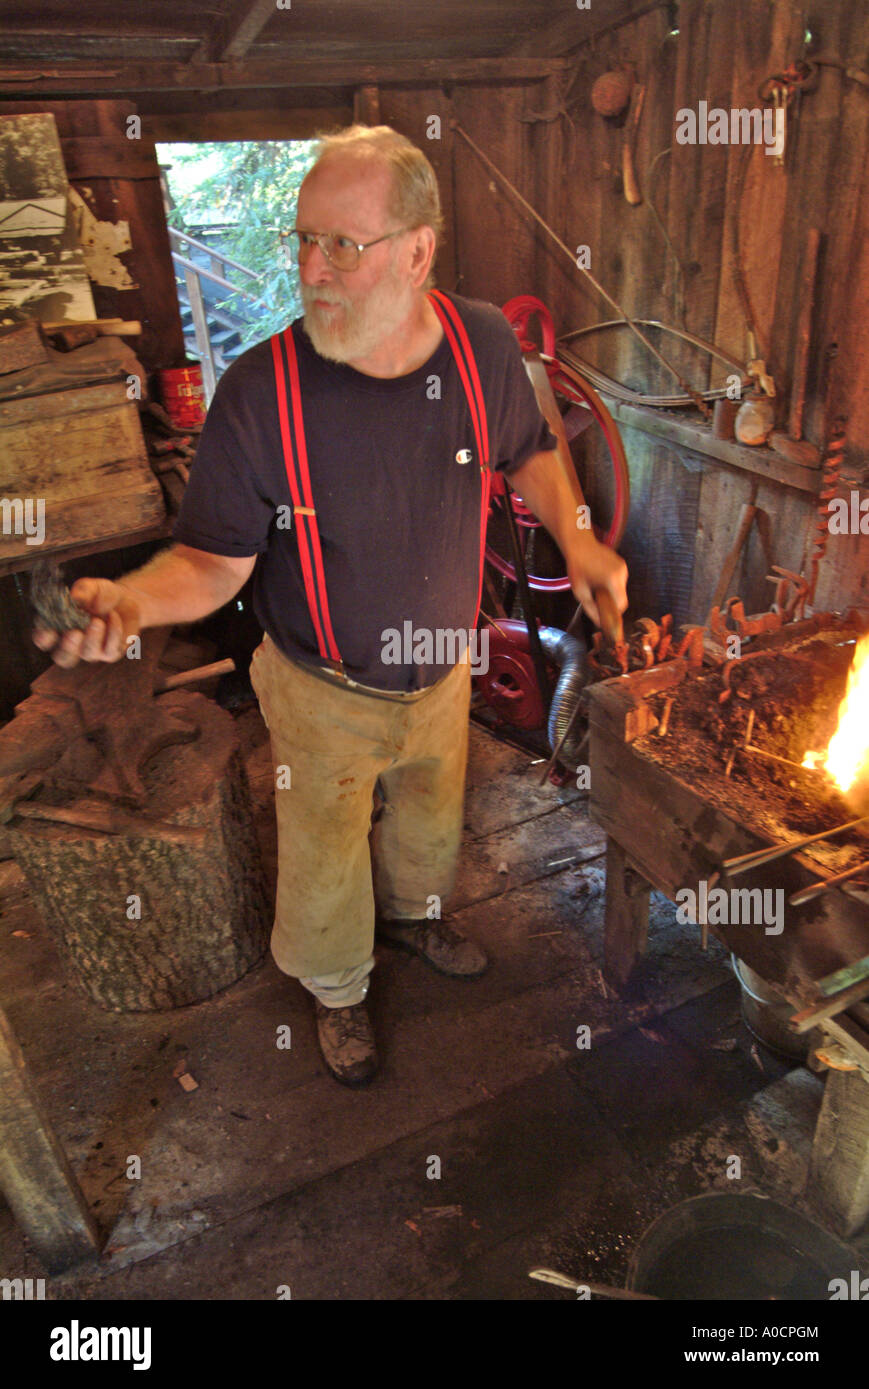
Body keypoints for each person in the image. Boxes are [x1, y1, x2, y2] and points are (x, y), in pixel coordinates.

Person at [34, 126, 627, 1087]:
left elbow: (531, 449)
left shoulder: (479, 345)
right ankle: (339, 989)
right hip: (320, 687)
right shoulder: (260, 393)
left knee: (430, 829)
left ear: (418, 250)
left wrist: (582, 540)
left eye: (340, 245)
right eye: (302, 241)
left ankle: (412, 922)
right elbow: (210, 563)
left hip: (443, 670)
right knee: (321, 860)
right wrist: (131, 602)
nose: (313, 269)